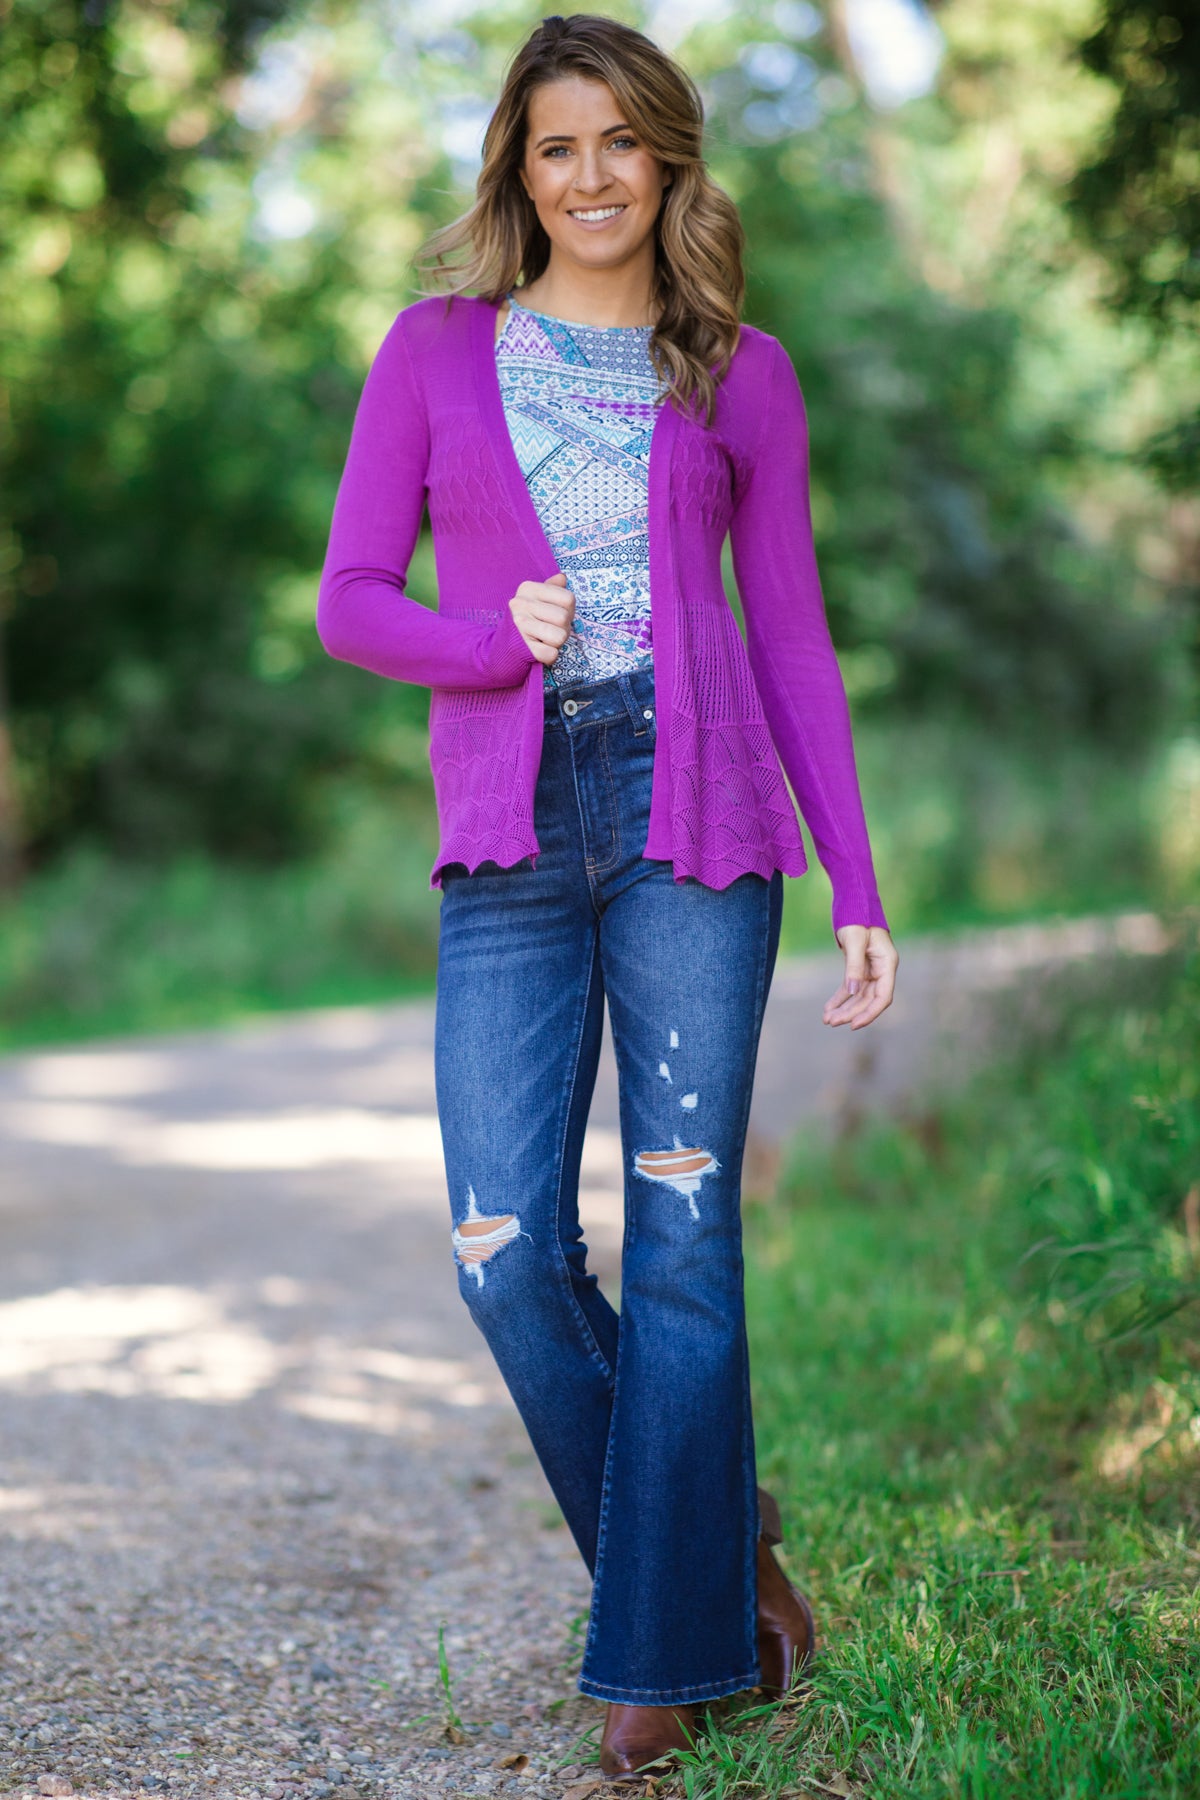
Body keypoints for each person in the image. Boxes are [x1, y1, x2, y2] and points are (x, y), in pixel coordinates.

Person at [316, 11, 899, 1782]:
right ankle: (719, 1543)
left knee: (686, 1230)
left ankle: (669, 1662)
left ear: (667, 161)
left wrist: (857, 870)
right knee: (503, 1249)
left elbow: (789, 635)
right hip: (509, 825)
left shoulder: (742, 371)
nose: (590, 178)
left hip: (693, 810)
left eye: (620, 144)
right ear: (521, 167)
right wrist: (483, 643)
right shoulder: (434, 349)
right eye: (556, 147)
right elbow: (352, 599)